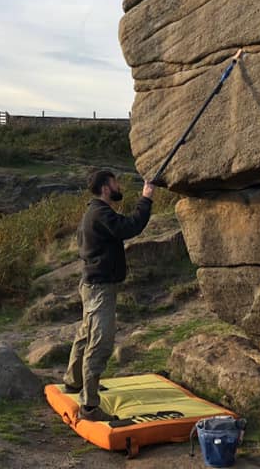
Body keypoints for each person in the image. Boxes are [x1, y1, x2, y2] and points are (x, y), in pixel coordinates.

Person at [62, 169, 155, 421]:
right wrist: (146, 198)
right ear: (105, 187)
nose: (118, 185)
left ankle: (73, 382)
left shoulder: (94, 212)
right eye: (115, 181)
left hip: (93, 285)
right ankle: (89, 407)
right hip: (99, 289)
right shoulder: (100, 213)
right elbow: (131, 226)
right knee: (99, 343)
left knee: (85, 333)